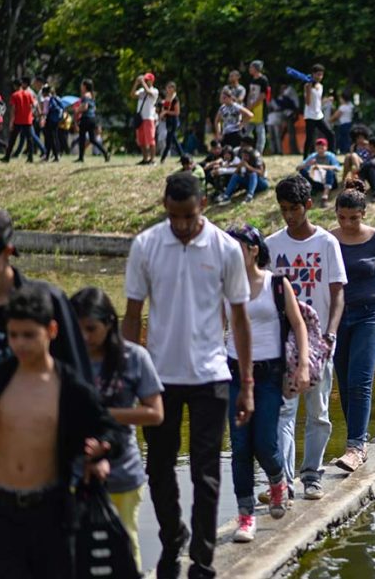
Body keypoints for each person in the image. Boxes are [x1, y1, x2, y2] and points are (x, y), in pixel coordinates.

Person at [122, 172, 254, 579]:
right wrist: (129, 378)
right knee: (158, 468)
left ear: (203, 208)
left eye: (189, 217)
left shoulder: (225, 248)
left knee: (206, 470)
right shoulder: (146, 245)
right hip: (159, 378)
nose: (181, 225)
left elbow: (240, 318)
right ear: (165, 208)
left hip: (211, 376)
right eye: (174, 216)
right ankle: (172, 534)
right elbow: (131, 317)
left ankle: (202, 556)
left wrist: (246, 384)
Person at [0, 207, 95, 544]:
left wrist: (92, 456)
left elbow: (82, 390)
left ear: (7, 252)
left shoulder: (48, 303)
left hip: (51, 475)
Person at [0, 284, 121, 579]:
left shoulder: (70, 386)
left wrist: (103, 448)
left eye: (29, 335)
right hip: (2, 511)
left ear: (51, 330)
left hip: (52, 510)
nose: (20, 344)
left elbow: (109, 427)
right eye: (13, 335)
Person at [220, 225, 309, 542]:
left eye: (236, 246)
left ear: (254, 248)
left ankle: (277, 480)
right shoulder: (226, 286)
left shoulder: (276, 284)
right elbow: (219, 327)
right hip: (233, 370)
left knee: (264, 442)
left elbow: (298, 325)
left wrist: (303, 366)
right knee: (240, 446)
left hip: (271, 372)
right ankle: (245, 516)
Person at [71, 287, 164, 572]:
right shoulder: (66, 359)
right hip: (75, 472)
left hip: (122, 470)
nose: (85, 338)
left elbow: (155, 413)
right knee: (77, 552)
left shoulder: (133, 357)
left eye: (91, 329)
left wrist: (103, 415)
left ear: (109, 323)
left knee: (124, 547)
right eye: (77, 330)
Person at [266, 175, 346, 500]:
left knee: (318, 411)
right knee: (283, 411)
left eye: (294, 209)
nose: (289, 216)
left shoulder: (326, 243)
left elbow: (338, 292)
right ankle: (283, 482)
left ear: (308, 206)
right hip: (283, 342)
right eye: (283, 209)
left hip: (318, 343)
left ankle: (311, 474)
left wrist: (330, 334)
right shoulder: (271, 246)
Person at [330, 182, 375, 471]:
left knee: (361, 379)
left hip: (371, 315)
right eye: (342, 217)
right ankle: (358, 439)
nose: (348, 223)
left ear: (363, 213)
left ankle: (355, 447)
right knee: (345, 383)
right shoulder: (328, 240)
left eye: (354, 218)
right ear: (336, 213)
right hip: (338, 318)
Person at [217, 135, 269, 204]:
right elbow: (236, 172)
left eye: (243, 145)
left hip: (260, 183)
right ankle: (226, 196)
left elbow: (261, 173)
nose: (241, 147)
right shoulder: (241, 153)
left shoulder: (256, 155)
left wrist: (248, 167)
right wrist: (238, 167)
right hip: (248, 182)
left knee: (253, 174)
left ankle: (249, 196)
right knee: (236, 176)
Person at [298, 137, 341, 205]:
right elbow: (298, 168)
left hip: (330, 182)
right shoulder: (313, 156)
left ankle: (325, 196)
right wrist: (307, 164)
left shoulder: (330, 156)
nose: (320, 150)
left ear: (326, 147)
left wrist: (322, 166)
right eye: (318, 148)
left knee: (330, 171)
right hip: (317, 180)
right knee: (302, 171)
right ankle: (310, 190)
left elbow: (338, 168)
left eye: (322, 148)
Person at [75, 78, 110, 163]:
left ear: (85, 86)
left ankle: (81, 157)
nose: (81, 87)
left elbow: (85, 107)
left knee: (82, 138)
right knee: (92, 139)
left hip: (86, 118)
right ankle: (105, 153)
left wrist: (78, 109)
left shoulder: (85, 96)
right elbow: (94, 108)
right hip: (92, 118)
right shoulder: (92, 95)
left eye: (82, 85)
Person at [1, 78, 36, 163]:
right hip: (28, 120)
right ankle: (30, 158)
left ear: (15, 86)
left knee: (12, 139)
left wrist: (11, 122)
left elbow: (13, 109)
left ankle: (7, 157)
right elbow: (34, 105)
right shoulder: (28, 94)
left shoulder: (15, 95)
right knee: (29, 140)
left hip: (18, 120)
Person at [303, 64, 333, 158]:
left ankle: (332, 155)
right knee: (310, 138)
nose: (320, 77)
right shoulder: (307, 86)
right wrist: (308, 90)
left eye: (321, 75)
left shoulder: (320, 86)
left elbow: (318, 102)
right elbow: (308, 102)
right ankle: (306, 157)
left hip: (318, 115)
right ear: (313, 74)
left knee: (330, 134)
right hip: (310, 115)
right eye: (318, 74)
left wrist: (327, 100)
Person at [131, 73, 159, 165]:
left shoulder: (155, 90)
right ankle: (145, 159)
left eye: (147, 80)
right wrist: (136, 83)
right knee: (141, 140)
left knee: (150, 140)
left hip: (149, 118)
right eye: (145, 79)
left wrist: (142, 82)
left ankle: (152, 159)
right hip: (141, 118)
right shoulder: (141, 90)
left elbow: (149, 92)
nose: (146, 81)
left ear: (152, 80)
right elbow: (132, 95)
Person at [246, 60, 271, 153]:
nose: (249, 69)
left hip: (259, 108)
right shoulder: (252, 80)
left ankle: (259, 151)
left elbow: (263, 95)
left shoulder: (263, 80)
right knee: (247, 130)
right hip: (251, 107)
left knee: (260, 132)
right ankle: (246, 149)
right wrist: (248, 105)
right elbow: (250, 93)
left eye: (251, 67)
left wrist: (252, 105)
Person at [159, 81, 182, 163]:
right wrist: (163, 114)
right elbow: (165, 109)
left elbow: (177, 113)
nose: (168, 89)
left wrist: (166, 112)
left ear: (173, 89)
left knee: (168, 140)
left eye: (170, 87)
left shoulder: (175, 99)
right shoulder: (167, 98)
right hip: (168, 121)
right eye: (167, 87)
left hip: (173, 121)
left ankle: (162, 159)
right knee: (174, 140)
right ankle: (182, 156)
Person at [330, 89, 355, 154]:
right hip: (349, 123)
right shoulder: (350, 106)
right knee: (348, 138)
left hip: (343, 124)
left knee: (343, 138)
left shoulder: (343, 107)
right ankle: (348, 150)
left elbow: (335, 117)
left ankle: (344, 150)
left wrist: (329, 120)